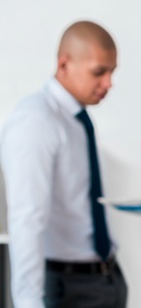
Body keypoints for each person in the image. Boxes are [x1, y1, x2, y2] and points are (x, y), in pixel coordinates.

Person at [1, 21, 127, 308]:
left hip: (105, 278)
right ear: (64, 64)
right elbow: (26, 218)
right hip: (66, 287)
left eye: (112, 72)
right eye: (99, 72)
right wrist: (28, 301)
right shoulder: (36, 121)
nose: (109, 83)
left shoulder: (76, 119)